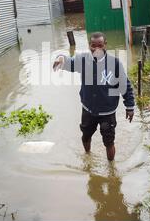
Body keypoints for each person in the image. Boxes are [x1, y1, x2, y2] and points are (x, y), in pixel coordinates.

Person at [53, 32, 135, 161]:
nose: (96, 49)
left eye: (100, 45)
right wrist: (61, 58)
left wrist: (129, 106)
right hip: (88, 109)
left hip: (107, 111)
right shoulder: (83, 60)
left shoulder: (115, 63)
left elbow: (124, 85)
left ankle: (111, 168)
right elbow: (69, 62)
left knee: (109, 142)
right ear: (89, 45)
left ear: (105, 45)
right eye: (93, 45)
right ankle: (88, 157)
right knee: (85, 136)